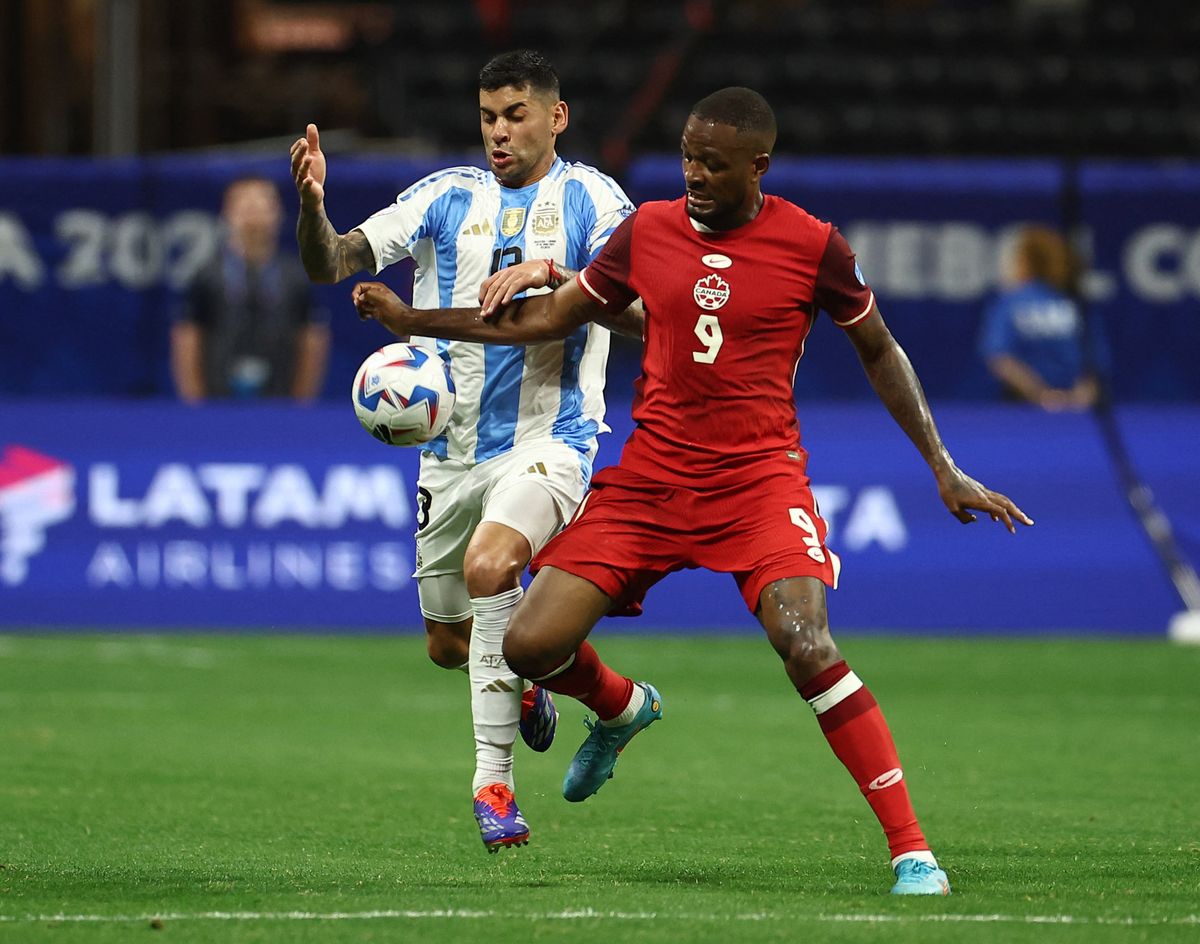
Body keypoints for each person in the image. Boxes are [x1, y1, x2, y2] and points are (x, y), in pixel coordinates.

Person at [351, 86, 1034, 895]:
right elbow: (548, 319)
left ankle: (912, 851)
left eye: (713, 164)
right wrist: (417, 320)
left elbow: (880, 351)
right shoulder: (649, 229)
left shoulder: (813, 245)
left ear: (758, 168)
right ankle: (619, 709)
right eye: (687, 159)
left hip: (757, 481)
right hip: (651, 479)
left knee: (807, 643)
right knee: (528, 645)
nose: (695, 176)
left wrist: (942, 465)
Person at [290, 50, 641, 852]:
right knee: (450, 644)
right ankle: (596, 700)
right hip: (449, 454)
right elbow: (332, 262)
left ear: (556, 116)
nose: (499, 132)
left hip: (551, 440)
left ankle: (493, 786)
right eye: (488, 117)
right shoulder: (446, 197)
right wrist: (313, 206)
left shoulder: (594, 200)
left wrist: (566, 281)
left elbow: (649, 313)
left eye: (516, 115)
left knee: (492, 570)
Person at [172, 176, 329, 402]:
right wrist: (195, 406)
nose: (253, 216)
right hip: (218, 404)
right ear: (227, 214)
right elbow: (187, 337)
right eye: (245, 206)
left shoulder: (296, 277)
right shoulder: (206, 275)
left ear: (278, 214)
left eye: (262, 206)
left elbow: (312, 339)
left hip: (280, 403)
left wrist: (300, 405)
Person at [979, 225, 1108, 411]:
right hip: (1076, 412)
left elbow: (1000, 358)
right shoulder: (1076, 303)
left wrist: (1041, 395)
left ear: (1025, 260)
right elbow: (1094, 368)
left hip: (1024, 413)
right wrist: (1079, 397)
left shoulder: (1011, 301)